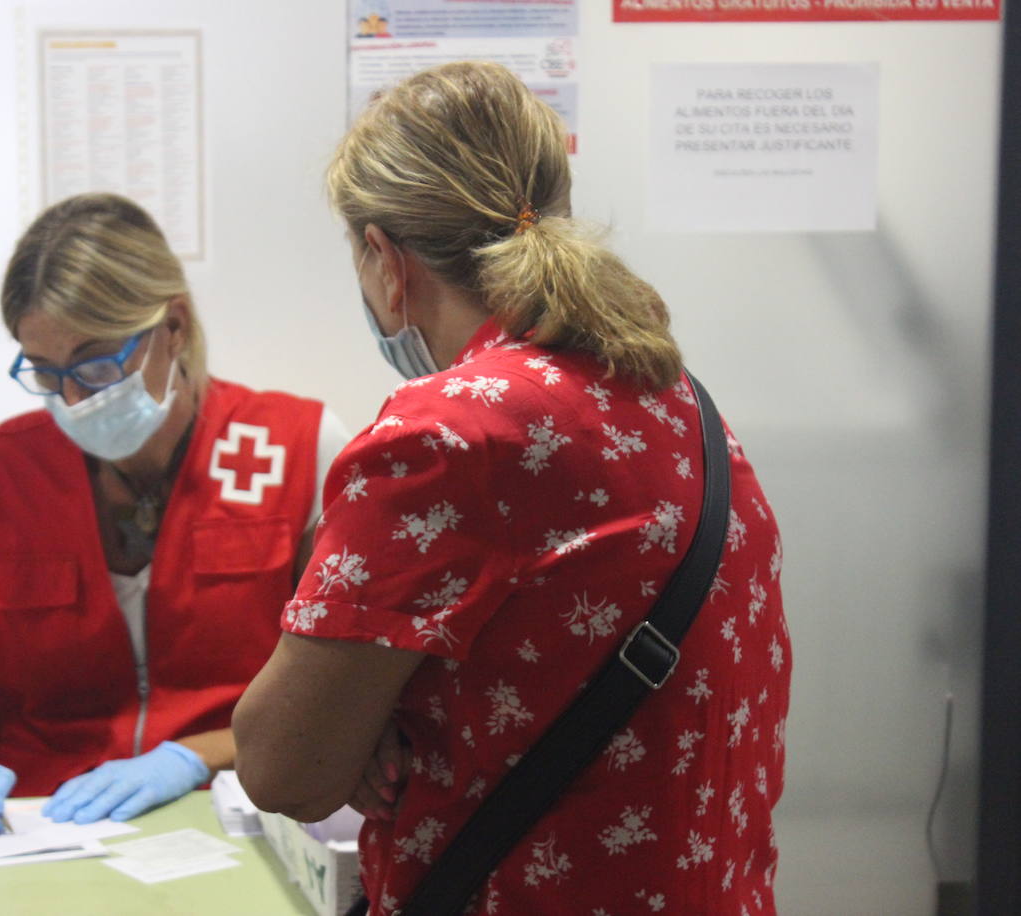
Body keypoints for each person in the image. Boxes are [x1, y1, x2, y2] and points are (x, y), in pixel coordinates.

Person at [234, 61, 790, 915]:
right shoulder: (674, 397)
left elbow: (284, 769)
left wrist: (358, 729)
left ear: (386, 259)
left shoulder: (448, 435)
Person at [0, 192, 347, 835]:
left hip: (240, 813)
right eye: (47, 374)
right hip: (36, 828)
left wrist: (192, 756)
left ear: (174, 327)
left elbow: (343, 700)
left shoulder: (297, 449)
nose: (74, 399)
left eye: (97, 363)